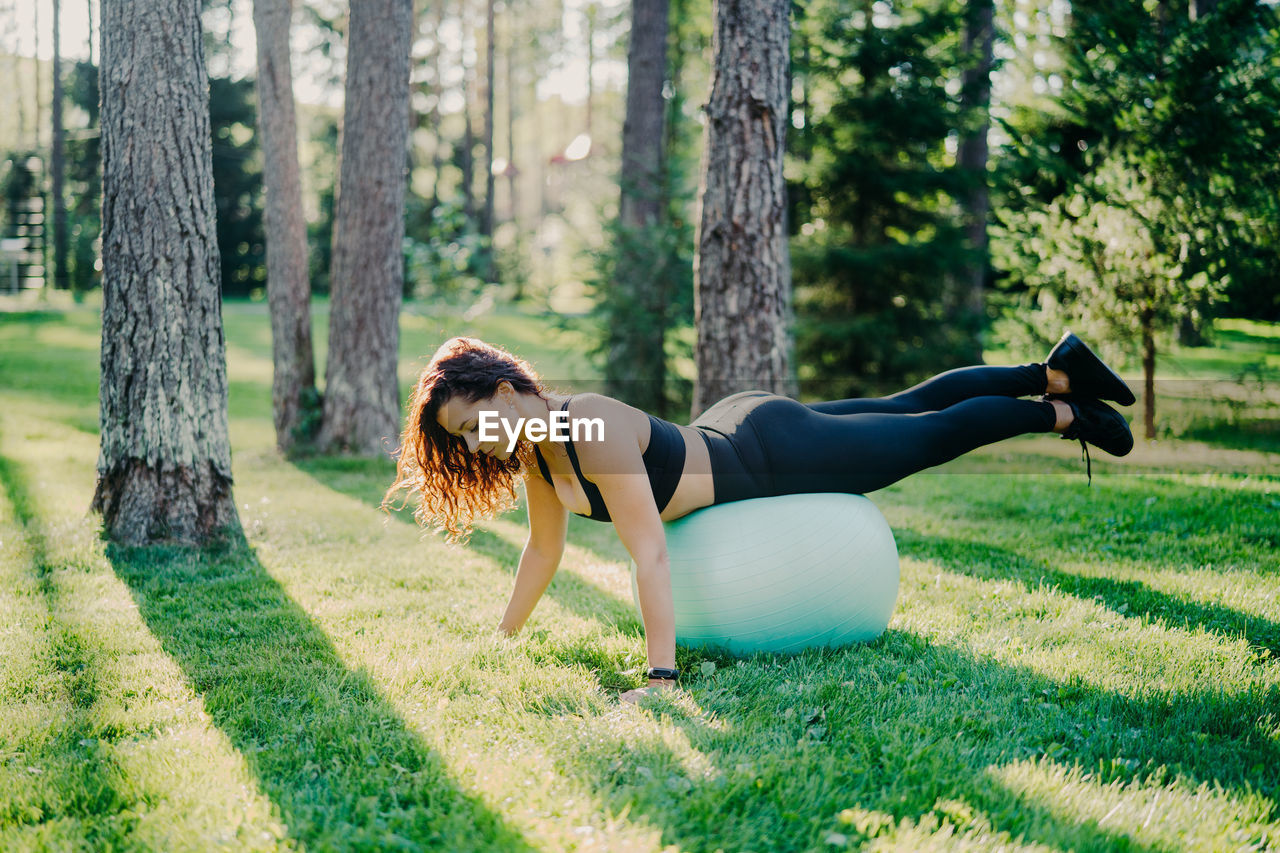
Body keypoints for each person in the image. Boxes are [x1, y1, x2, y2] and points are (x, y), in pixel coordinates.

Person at [384, 332, 1134, 704]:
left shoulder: (590, 429)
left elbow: (649, 554)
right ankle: (1056, 366)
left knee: (926, 434)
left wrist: (661, 674)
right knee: (906, 406)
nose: (477, 441)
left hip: (770, 452)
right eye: (461, 437)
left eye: (476, 420)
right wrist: (501, 640)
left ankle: (1063, 411)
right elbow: (542, 554)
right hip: (738, 428)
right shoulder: (537, 448)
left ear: (508, 390)